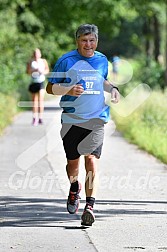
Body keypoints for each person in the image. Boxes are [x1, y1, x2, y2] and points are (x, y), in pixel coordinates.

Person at [46, 24, 120, 226]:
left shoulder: (102, 60)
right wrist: (68, 90)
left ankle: (89, 206)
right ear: (77, 41)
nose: (89, 44)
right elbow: (50, 88)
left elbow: (102, 81)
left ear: (97, 41)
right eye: (84, 40)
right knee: (73, 164)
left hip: (96, 119)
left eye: (92, 40)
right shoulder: (66, 60)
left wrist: (112, 88)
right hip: (71, 120)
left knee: (91, 160)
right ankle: (73, 187)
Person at [27, 48, 49, 126]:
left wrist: (42, 72)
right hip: (33, 82)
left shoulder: (43, 61)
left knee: (41, 100)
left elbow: (47, 70)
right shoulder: (31, 62)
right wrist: (33, 70)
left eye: (38, 53)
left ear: (40, 54)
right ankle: (34, 117)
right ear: (33, 54)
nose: (36, 55)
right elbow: (27, 72)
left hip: (41, 82)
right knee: (34, 101)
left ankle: (40, 117)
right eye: (35, 54)